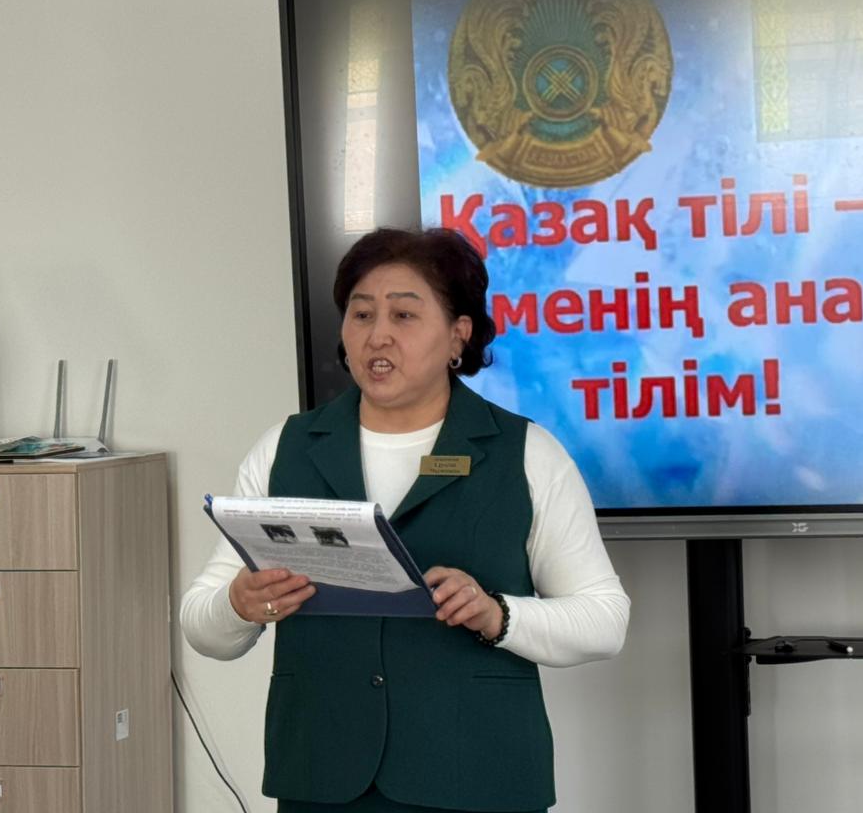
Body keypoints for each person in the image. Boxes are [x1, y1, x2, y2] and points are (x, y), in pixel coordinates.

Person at [181, 227, 630, 813]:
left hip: (480, 777)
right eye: (362, 314)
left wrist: (499, 615)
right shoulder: (284, 449)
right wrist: (240, 605)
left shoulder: (527, 453)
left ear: (458, 334)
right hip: (322, 777)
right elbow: (202, 625)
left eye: (404, 315)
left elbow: (605, 620)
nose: (378, 335)